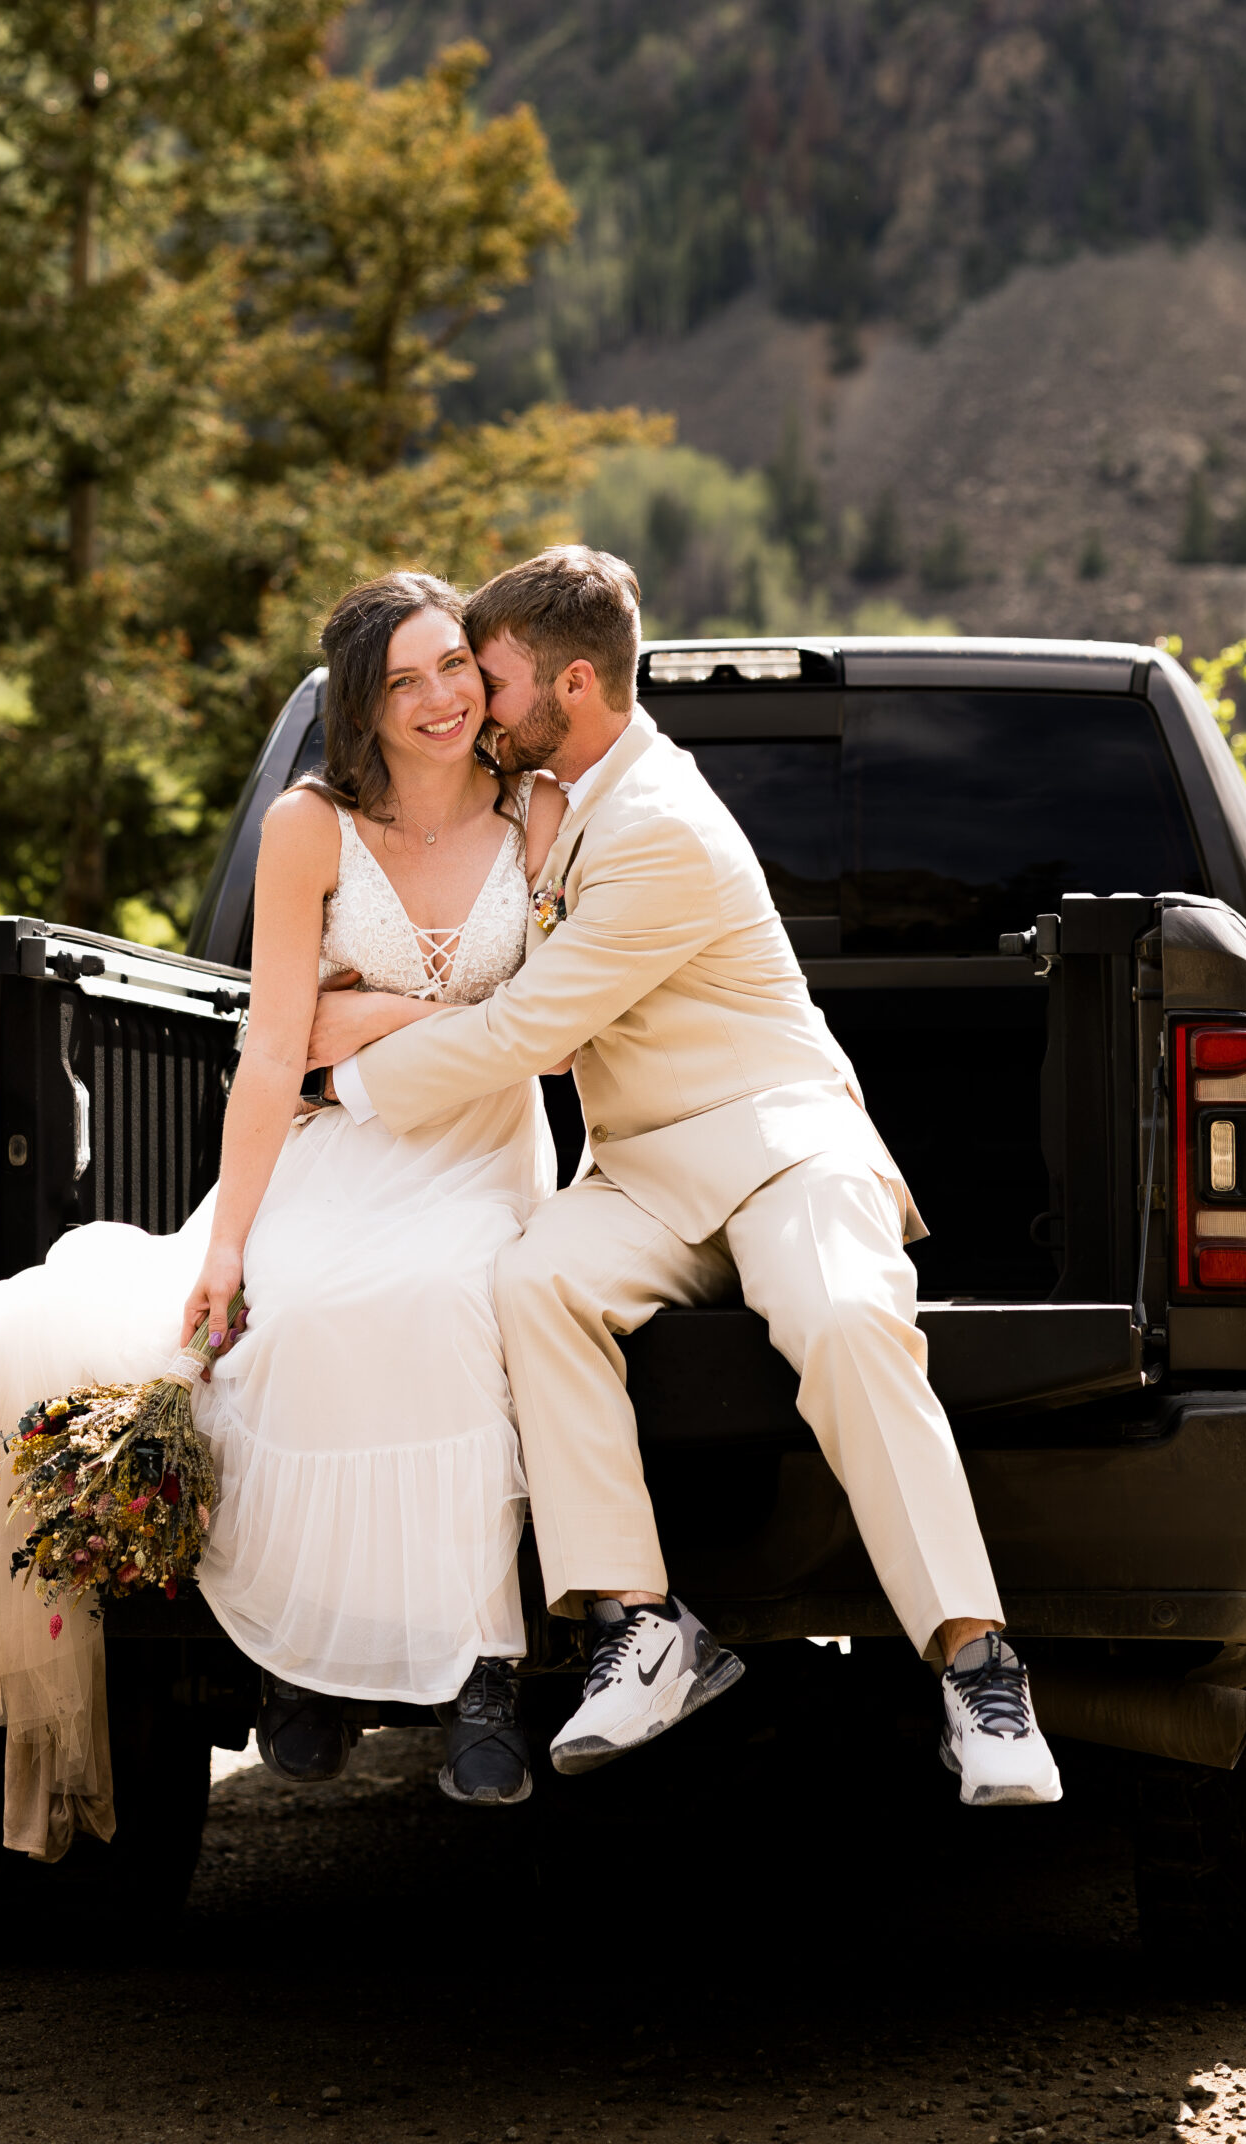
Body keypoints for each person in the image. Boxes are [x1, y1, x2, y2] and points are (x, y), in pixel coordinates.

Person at [0, 570, 567, 1858]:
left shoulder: (535, 812)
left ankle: (482, 1674)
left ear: (486, 678)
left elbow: (550, 1032)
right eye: (404, 682)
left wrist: (380, 1016)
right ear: (362, 711)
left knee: (443, 1304)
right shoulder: (313, 825)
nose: (439, 699)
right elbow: (273, 1051)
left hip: (479, 1151)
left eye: (453, 669)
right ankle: (313, 1666)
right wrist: (228, 1236)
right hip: (338, 1142)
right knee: (287, 1312)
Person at [309, 545, 1063, 1809]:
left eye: (491, 680)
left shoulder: (661, 824)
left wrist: (347, 1084)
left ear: (578, 683)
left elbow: (527, 1034)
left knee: (842, 1317)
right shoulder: (559, 795)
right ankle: (644, 1625)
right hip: (647, 1171)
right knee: (535, 1278)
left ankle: (978, 1665)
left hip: (780, 1146)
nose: (479, 706)